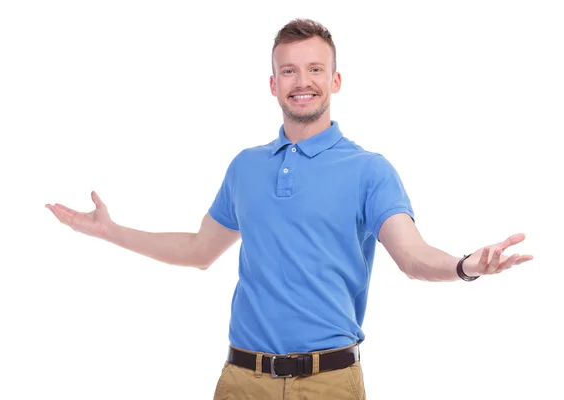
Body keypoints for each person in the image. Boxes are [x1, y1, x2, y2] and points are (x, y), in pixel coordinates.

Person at [46, 18, 534, 400]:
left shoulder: (369, 170)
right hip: (241, 379)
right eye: (289, 70)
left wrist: (464, 266)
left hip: (329, 383)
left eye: (315, 69)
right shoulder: (246, 167)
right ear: (273, 83)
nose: (303, 81)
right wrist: (111, 232)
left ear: (336, 80)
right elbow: (198, 250)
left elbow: (412, 256)